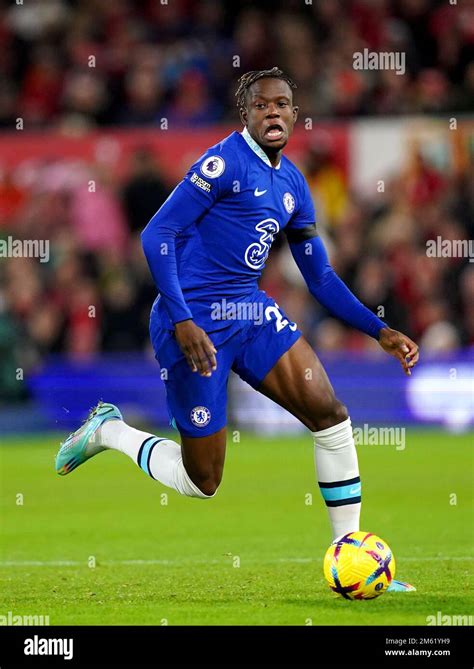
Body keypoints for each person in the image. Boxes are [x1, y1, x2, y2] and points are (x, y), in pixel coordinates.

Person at [55, 68, 418, 590]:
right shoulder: (222, 163)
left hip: (248, 314)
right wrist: (181, 318)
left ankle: (350, 558)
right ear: (245, 114)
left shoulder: (293, 182)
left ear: (295, 114)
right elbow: (158, 233)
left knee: (331, 415)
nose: (274, 112)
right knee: (202, 481)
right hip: (192, 325)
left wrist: (377, 329)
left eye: (283, 104)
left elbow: (319, 275)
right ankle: (108, 431)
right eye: (262, 105)